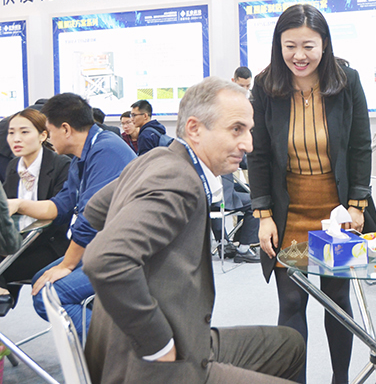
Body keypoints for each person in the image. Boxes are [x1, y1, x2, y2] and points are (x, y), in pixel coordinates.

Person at [82, 77, 304, 384]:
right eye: (236, 129)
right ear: (195, 129)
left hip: (164, 340)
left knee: (289, 345)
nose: (249, 144)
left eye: (249, 130)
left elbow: (95, 209)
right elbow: (105, 258)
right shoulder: (179, 180)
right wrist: (157, 343)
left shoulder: (159, 158)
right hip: (155, 365)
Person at [249, 4, 376, 384]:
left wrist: (357, 205)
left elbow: (360, 146)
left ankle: (341, 379)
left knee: (336, 300)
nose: (299, 55)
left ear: (324, 44)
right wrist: (263, 215)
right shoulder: (266, 85)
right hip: (288, 210)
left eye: (308, 45)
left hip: (335, 211)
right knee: (291, 300)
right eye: (290, 46)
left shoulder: (347, 81)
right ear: (279, 45)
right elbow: (258, 154)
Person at [7, 93, 135, 342]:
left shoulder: (106, 150)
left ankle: (123, 349)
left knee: (49, 294)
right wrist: (20, 204)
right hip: (103, 245)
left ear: (65, 129)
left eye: (49, 131)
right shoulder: (81, 156)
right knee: (41, 281)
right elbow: (62, 205)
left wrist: (66, 265)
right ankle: (105, 342)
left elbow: (90, 219)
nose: (48, 138)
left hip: (127, 251)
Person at [1, 108, 71, 314]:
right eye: (11, 132)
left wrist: (19, 205)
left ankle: (3, 292)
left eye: (24, 132)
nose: (16, 138)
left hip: (48, 245)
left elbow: (59, 212)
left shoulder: (61, 164)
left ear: (42, 135)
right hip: (17, 242)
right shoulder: (14, 166)